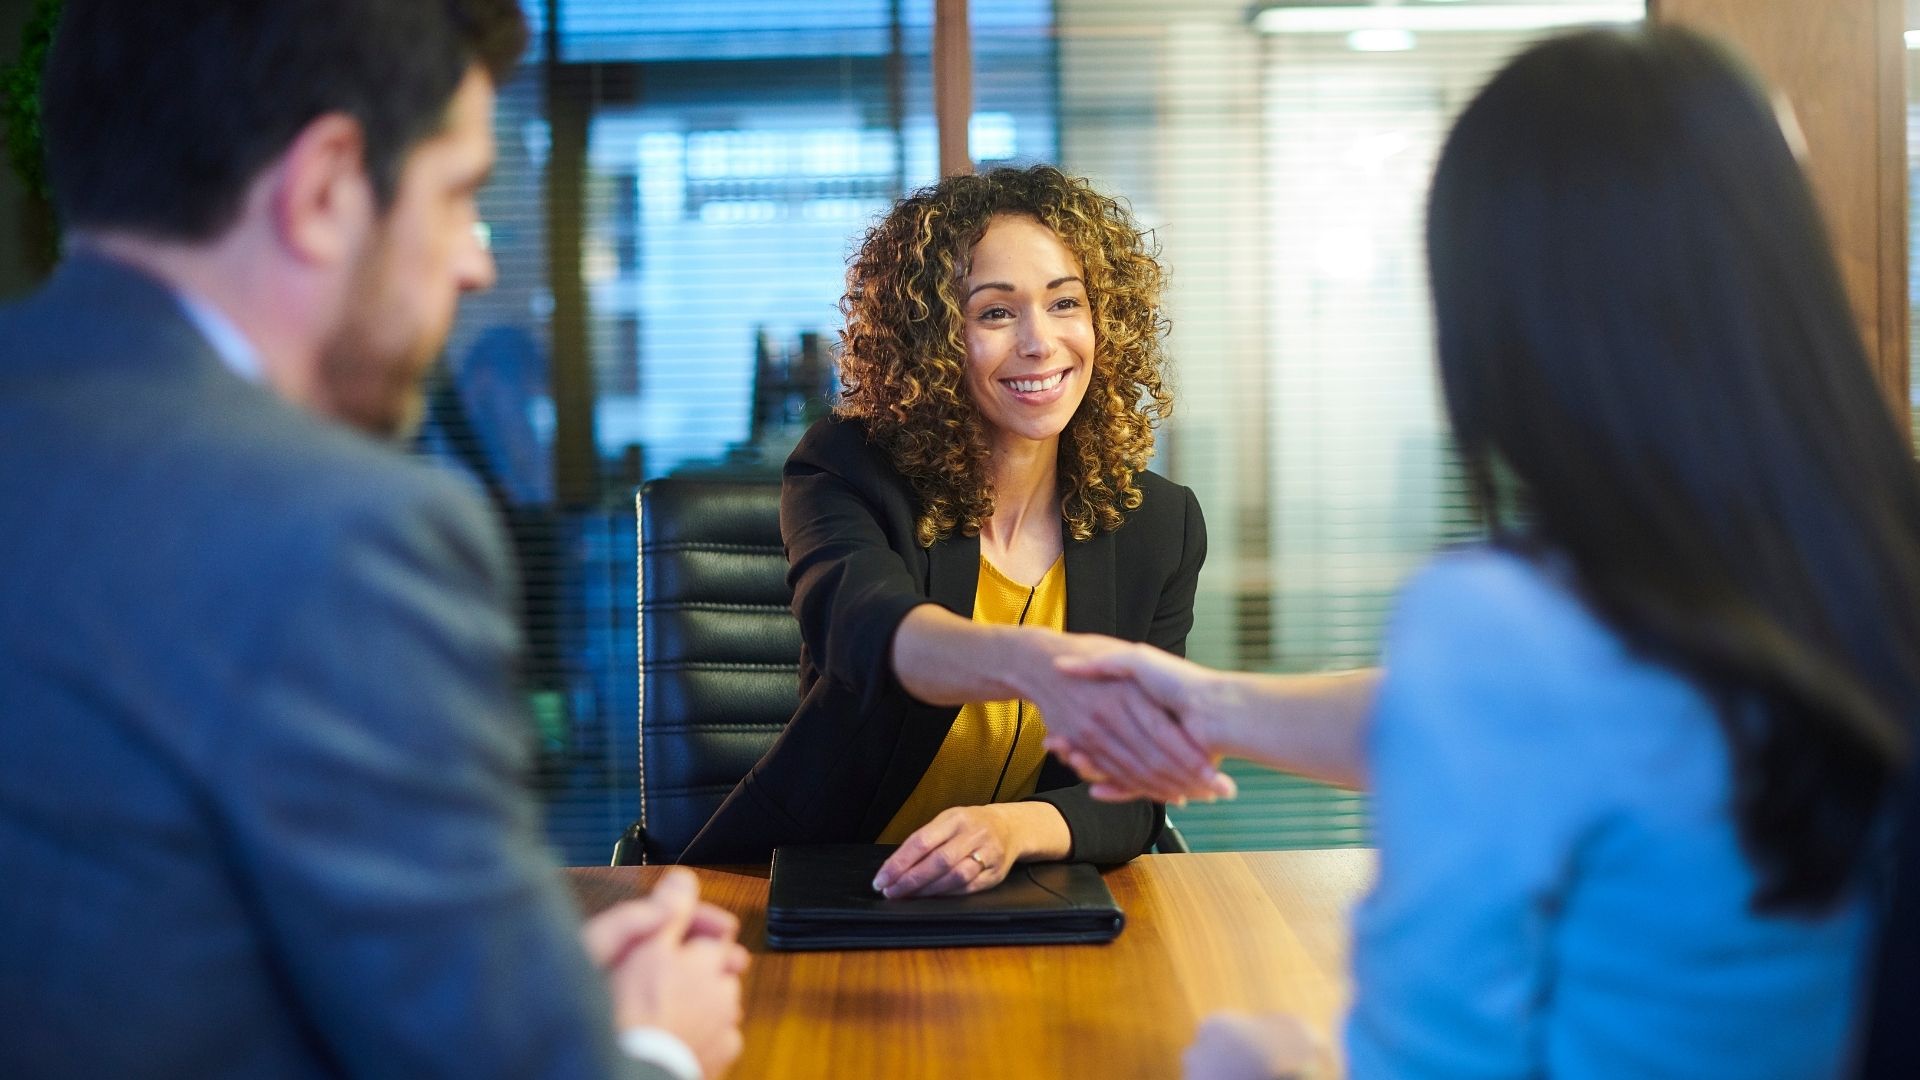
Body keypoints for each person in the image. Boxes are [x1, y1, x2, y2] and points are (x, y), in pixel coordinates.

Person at [1057, 26, 1917, 1079]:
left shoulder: (1510, 623)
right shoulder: (1851, 564)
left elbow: (1425, 1060)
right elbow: (1563, 723)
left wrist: (1261, 1063)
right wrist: (1217, 707)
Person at [0, 3, 745, 1078]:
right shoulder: (334, 531)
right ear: (325, 190)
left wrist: (504, 974)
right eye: (460, 196)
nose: (475, 262)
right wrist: (650, 1044)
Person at [680, 164, 1234, 894]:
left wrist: (1012, 829)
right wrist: (1035, 663)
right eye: (996, 313)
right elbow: (868, 633)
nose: (1040, 342)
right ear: (933, 339)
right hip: (816, 876)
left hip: (1019, 891)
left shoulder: (1157, 525)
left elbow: (1134, 792)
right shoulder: (846, 469)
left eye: (1065, 302)